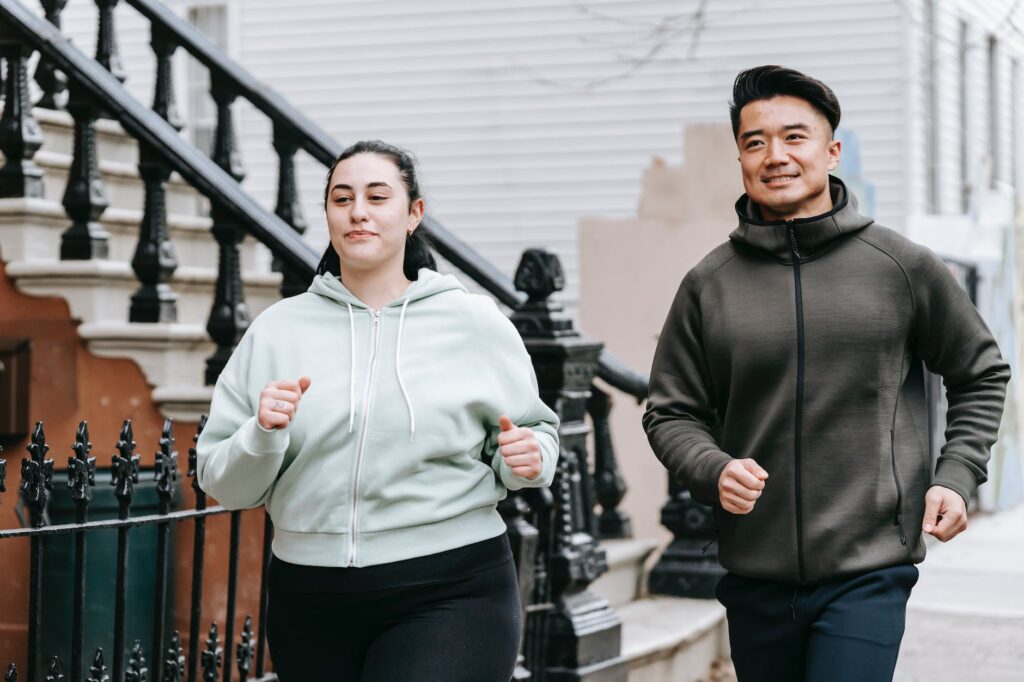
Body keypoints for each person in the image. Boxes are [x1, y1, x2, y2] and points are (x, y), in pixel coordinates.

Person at [643, 65, 1010, 682]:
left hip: (868, 569)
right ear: (739, 156)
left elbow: (980, 371)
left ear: (831, 150)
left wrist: (957, 473)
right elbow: (669, 410)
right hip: (753, 577)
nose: (775, 156)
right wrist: (712, 468)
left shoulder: (901, 266)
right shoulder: (709, 285)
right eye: (755, 141)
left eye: (795, 137)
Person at [196, 140, 559, 681]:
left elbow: (534, 431)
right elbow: (224, 483)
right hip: (309, 595)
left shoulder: (472, 322)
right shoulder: (277, 330)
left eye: (376, 197)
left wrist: (528, 458)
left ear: (414, 213)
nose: (358, 211)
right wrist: (262, 433)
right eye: (342, 199)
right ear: (328, 215)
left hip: (450, 589)